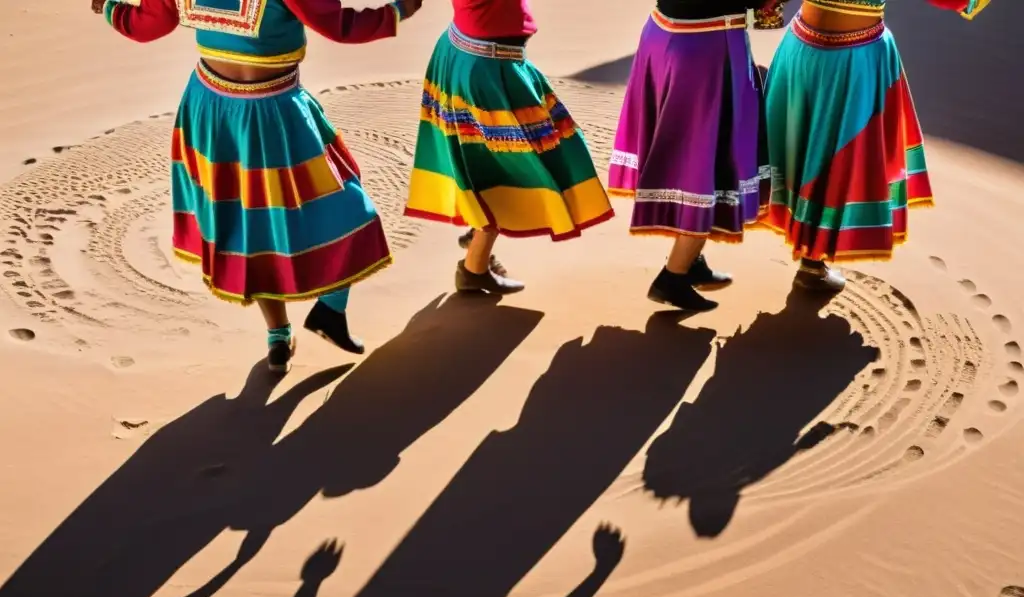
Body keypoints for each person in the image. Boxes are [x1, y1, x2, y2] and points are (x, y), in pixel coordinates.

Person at [94, 0, 423, 373]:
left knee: (248, 223)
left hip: (211, 107)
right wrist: (396, 12)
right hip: (272, 111)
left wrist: (111, 10)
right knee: (345, 202)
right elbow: (339, 27)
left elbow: (150, 23)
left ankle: (278, 334)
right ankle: (330, 310)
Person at [760, 0, 990, 293]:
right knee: (836, 159)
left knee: (803, 148)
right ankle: (811, 263)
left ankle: (694, 245)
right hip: (853, 61)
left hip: (804, 47)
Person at [403, 0, 615, 295]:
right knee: (515, 163)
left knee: (496, 159)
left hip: (476, 54)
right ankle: (474, 268)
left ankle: (477, 229)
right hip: (485, 68)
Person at [608, 1, 789, 313]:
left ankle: (690, 261)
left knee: (696, 157)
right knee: (707, 160)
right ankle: (673, 276)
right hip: (704, 48)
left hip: (665, 36)